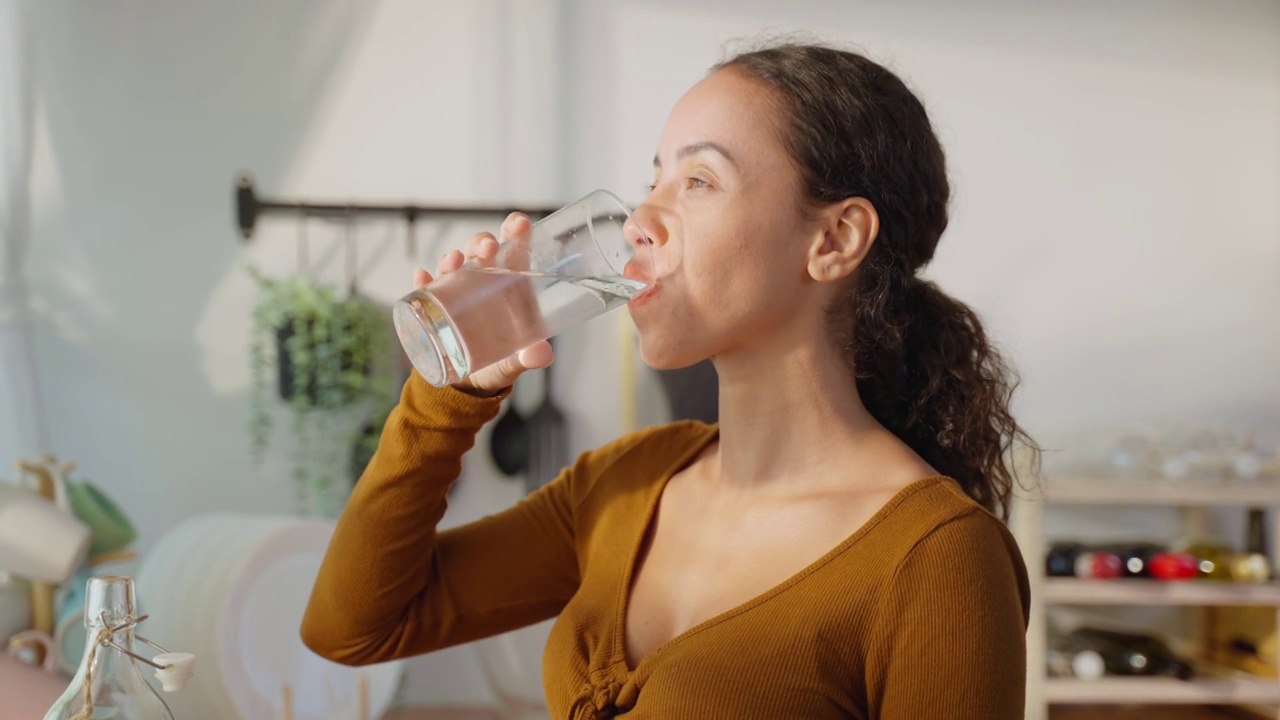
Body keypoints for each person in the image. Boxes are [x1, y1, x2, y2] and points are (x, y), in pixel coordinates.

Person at [302, 38, 1036, 720]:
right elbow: (353, 628)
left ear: (834, 239)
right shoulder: (626, 483)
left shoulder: (938, 559)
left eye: (698, 180)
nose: (637, 222)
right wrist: (452, 398)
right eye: (652, 178)